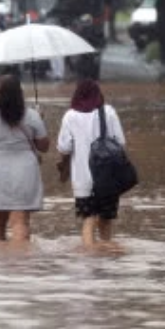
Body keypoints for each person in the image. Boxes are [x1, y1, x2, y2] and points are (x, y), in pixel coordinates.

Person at [0, 74, 50, 243]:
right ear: (20, 93)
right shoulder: (32, 116)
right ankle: (20, 263)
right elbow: (44, 147)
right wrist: (40, 120)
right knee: (21, 221)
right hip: (25, 171)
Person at [56, 79, 127, 248]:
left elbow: (64, 148)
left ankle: (89, 259)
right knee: (105, 221)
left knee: (88, 219)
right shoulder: (108, 112)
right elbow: (121, 143)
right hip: (108, 178)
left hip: (82, 180)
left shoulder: (70, 116)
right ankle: (107, 257)